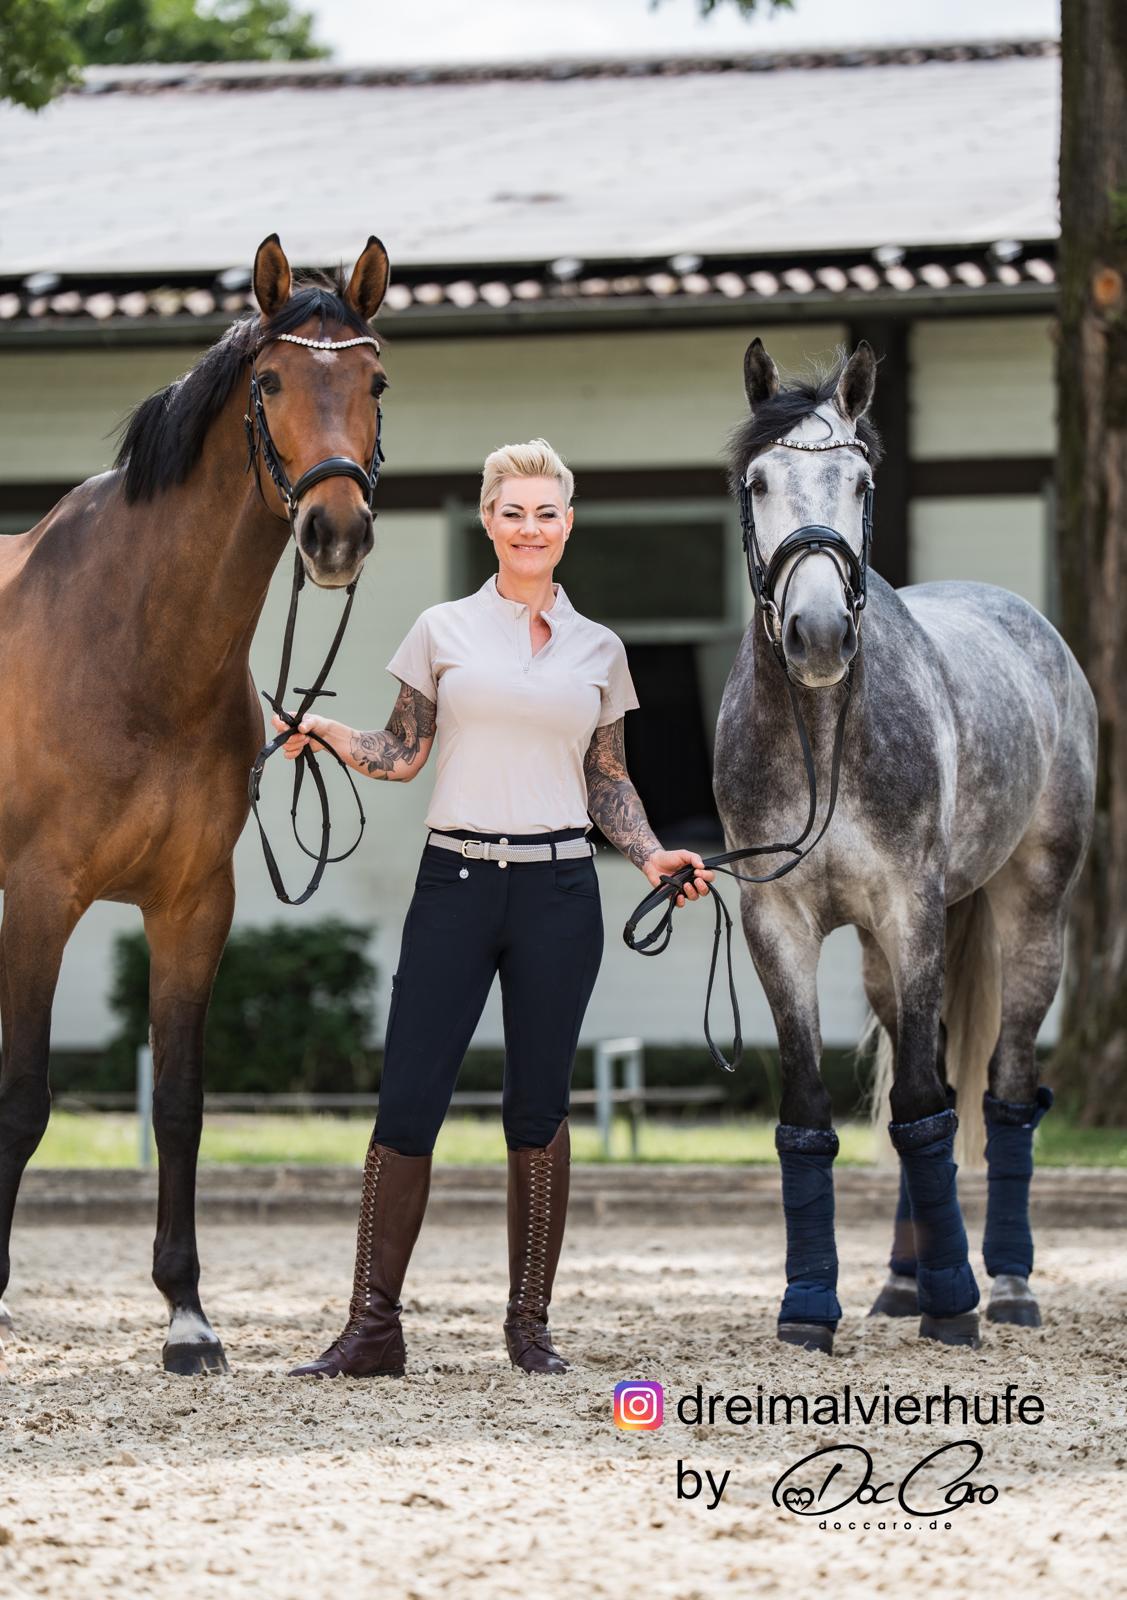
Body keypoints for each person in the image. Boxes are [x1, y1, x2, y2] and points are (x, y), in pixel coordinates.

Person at [280, 438, 712, 1379]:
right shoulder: (441, 630)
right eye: (512, 512)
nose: (529, 528)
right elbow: (403, 750)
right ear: (488, 521)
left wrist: (648, 854)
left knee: (539, 1103)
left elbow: (607, 779)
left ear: (567, 524)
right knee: (409, 1098)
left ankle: (529, 1328)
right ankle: (372, 1329)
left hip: (560, 889)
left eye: (545, 512)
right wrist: (329, 731)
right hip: (456, 882)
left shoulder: (599, 649)